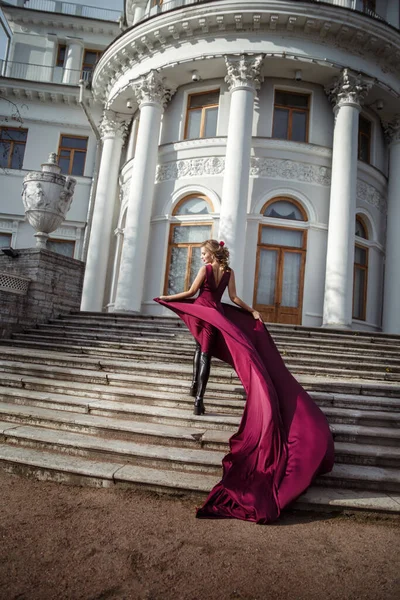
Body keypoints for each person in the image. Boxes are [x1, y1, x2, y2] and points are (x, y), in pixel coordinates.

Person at [155, 239, 334, 524]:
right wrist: (252, 312)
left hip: (204, 312)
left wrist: (167, 298)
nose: (201, 256)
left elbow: (191, 292)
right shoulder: (229, 272)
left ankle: (198, 398)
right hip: (218, 314)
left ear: (212, 254)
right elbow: (235, 299)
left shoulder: (206, 269)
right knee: (203, 351)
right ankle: (196, 393)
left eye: (203, 253)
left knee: (203, 352)